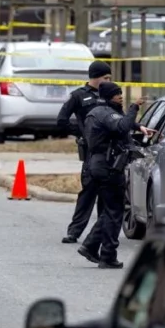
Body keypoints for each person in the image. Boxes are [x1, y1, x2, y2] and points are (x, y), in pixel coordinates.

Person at [78, 82, 154, 269]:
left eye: (120, 93)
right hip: (108, 167)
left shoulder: (101, 111)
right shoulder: (105, 112)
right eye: (116, 94)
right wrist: (134, 107)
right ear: (108, 96)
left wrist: (139, 127)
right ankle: (108, 255)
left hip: (101, 165)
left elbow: (120, 124)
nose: (120, 96)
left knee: (111, 210)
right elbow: (121, 126)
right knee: (114, 212)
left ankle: (90, 245)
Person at [58, 60, 112, 244]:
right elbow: (62, 120)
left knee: (108, 191)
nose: (108, 81)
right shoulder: (78, 96)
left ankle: (104, 231)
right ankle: (74, 231)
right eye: (105, 77)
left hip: (110, 149)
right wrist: (82, 132)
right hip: (91, 150)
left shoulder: (110, 93)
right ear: (96, 77)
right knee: (88, 191)